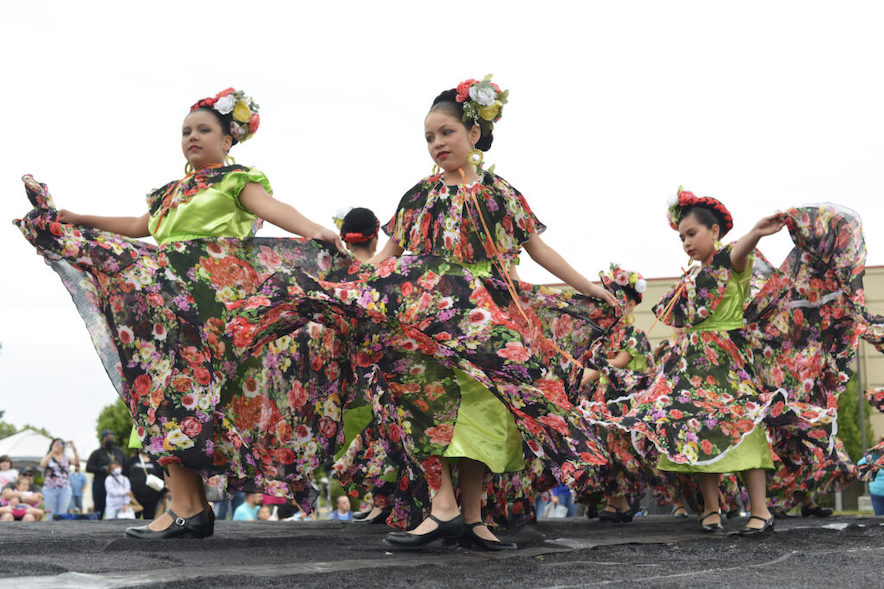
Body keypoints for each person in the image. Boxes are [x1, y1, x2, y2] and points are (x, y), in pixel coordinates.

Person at [228, 76, 619, 550]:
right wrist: (341, 290)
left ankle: (472, 517)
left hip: (492, 320)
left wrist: (591, 288)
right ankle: (443, 507)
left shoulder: (501, 194)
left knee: (484, 412)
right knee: (424, 403)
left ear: (474, 134)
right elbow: (386, 258)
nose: (437, 143)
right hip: (429, 318)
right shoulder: (419, 196)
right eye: (430, 137)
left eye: (446, 133)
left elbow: (539, 250)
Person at [15, 87, 346, 539]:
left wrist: (318, 231)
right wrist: (76, 218)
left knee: (184, 394)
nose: (192, 137)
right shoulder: (169, 192)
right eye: (186, 131)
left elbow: (275, 210)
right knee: (165, 398)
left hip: (213, 307)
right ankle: (188, 508)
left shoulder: (237, 180)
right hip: (165, 307)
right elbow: (139, 228)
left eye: (203, 130)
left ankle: (189, 508)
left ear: (228, 138)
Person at [620, 189, 869, 536]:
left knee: (745, 426)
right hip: (691, 364)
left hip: (726, 359)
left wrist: (755, 232)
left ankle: (761, 511)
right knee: (696, 427)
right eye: (682, 237)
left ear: (715, 231)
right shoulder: (690, 277)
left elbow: (740, 253)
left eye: (693, 234)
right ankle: (711, 508)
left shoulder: (728, 261)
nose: (687, 243)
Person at [581, 266, 657, 523]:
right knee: (604, 449)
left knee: (619, 448)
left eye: (623, 299)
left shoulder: (633, 335)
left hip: (623, 403)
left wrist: (587, 374)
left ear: (633, 304)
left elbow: (620, 361)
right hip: (600, 401)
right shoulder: (600, 335)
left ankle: (622, 503)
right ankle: (617, 503)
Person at [85, 430, 126, 519]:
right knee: (99, 509)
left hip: (117, 486)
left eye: (112, 438)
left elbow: (125, 466)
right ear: (103, 440)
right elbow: (88, 468)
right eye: (108, 438)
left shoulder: (119, 452)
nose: (110, 440)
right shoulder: (97, 453)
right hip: (100, 485)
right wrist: (102, 469)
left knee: (116, 511)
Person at [40, 438, 79, 517]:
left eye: (60, 444)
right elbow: (43, 464)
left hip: (65, 489)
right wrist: (52, 451)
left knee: (62, 514)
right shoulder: (49, 457)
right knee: (50, 514)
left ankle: (59, 529)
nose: (58, 446)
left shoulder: (67, 458)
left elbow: (77, 462)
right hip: (49, 489)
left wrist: (74, 449)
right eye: (56, 444)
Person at [125, 450, 165, 519]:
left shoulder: (155, 460)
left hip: (152, 498)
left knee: (149, 520)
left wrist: (164, 492)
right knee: (133, 520)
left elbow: (162, 476)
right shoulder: (132, 460)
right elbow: (125, 475)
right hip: (135, 499)